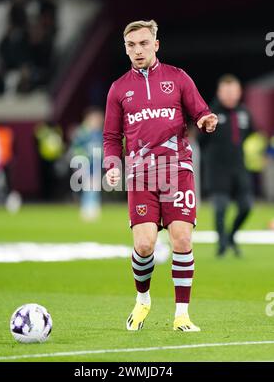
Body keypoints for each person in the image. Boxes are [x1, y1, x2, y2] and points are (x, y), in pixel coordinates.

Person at [103, 20, 218, 332]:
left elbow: (200, 111)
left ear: (156, 45)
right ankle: (143, 300)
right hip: (140, 174)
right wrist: (113, 164)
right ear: (125, 49)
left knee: (181, 238)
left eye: (143, 43)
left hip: (177, 168)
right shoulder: (118, 89)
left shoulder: (178, 78)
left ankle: (182, 315)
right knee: (144, 246)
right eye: (131, 45)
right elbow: (111, 137)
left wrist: (207, 120)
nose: (137, 50)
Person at [201, 74, 254, 257]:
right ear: (219, 92)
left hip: (238, 168)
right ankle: (222, 245)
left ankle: (231, 236)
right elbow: (201, 140)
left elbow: (250, 134)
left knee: (247, 206)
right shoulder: (210, 113)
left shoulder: (244, 113)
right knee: (221, 207)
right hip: (217, 170)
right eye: (227, 91)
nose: (231, 95)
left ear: (239, 92)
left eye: (234, 91)